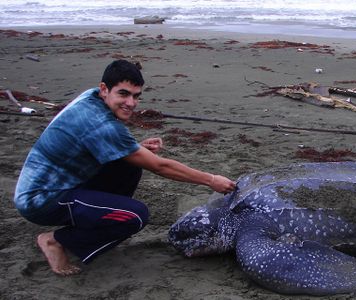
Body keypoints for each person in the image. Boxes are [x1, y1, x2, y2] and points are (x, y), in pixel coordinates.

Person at [13, 60, 237, 275]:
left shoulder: (90, 97)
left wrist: (134, 148)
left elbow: (88, 143)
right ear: (104, 89)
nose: (130, 103)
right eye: (123, 94)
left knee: (130, 165)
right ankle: (55, 240)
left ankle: (92, 218)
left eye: (136, 96)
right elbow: (160, 167)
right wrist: (211, 179)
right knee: (135, 216)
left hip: (56, 181)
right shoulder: (100, 124)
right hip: (41, 201)